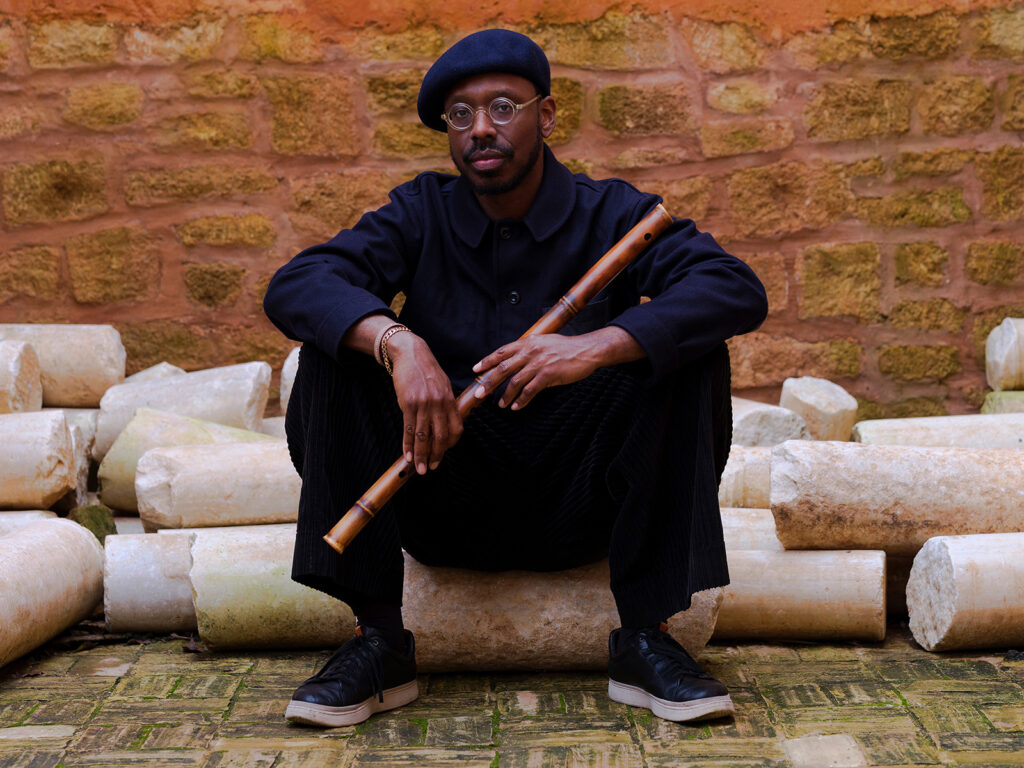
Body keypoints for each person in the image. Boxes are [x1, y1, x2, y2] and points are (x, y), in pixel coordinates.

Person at [263, 28, 768, 729]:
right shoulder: (419, 213)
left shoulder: (612, 213)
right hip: (442, 496)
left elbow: (735, 288)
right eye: (460, 115)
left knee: (688, 350)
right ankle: (379, 640)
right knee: (334, 351)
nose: (480, 130)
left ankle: (647, 637)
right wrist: (398, 343)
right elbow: (299, 283)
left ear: (547, 115)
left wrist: (597, 345)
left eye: (502, 107)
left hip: (585, 500)